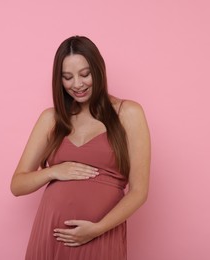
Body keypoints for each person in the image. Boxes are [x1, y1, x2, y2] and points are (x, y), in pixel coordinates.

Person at [10, 36, 150, 260]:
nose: (77, 84)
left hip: (101, 234)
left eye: (85, 74)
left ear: (99, 69)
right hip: (51, 235)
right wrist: (54, 171)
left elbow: (139, 191)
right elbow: (17, 185)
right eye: (67, 77)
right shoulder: (52, 118)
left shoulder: (128, 113)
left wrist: (98, 229)